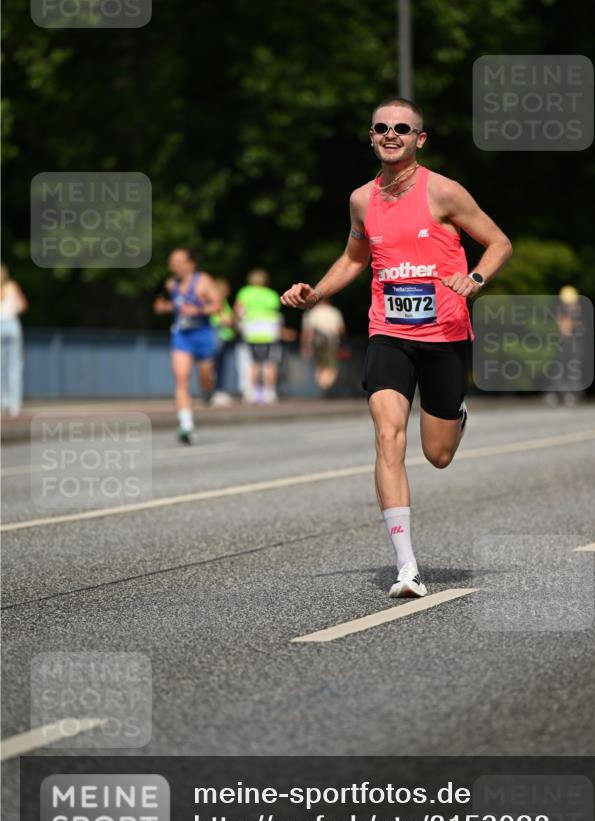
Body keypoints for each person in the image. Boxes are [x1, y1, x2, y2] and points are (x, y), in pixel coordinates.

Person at [282, 98, 512, 598]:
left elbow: (499, 243)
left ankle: (455, 413)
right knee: (388, 438)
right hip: (388, 332)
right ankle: (407, 568)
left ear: (418, 140)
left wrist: (474, 278)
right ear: (371, 136)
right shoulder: (361, 200)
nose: (392, 134)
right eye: (382, 127)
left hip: (445, 335)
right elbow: (353, 257)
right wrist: (317, 293)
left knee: (439, 454)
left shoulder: (445, 192)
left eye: (402, 128)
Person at [153, 248, 220, 443]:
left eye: (178, 261)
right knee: (181, 379)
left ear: (191, 264)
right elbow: (167, 305)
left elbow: (217, 305)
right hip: (181, 336)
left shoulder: (203, 281)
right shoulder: (170, 284)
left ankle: (208, 390)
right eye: (171, 261)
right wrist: (163, 308)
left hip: (203, 335)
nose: (173, 265)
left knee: (204, 378)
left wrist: (198, 310)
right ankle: (186, 425)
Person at [234, 269, 283, 404]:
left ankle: (251, 393)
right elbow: (276, 312)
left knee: (254, 362)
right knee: (270, 363)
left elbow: (238, 310)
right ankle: (270, 393)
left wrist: (238, 325)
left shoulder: (245, 292)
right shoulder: (271, 294)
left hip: (252, 330)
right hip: (269, 331)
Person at [301, 297, 346, 392]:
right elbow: (340, 329)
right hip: (332, 341)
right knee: (331, 365)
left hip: (317, 341)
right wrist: (342, 343)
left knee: (319, 365)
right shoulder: (334, 312)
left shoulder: (311, 312)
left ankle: (322, 385)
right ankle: (326, 385)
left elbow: (307, 331)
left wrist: (305, 346)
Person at [0, 265, 28, 416]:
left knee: (1, 367)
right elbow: (23, 305)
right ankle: (14, 404)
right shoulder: (12, 286)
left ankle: (3, 402)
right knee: (15, 367)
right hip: (12, 325)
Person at [210, 278, 236, 405]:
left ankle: (217, 391)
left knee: (219, 365)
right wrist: (228, 321)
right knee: (217, 365)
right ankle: (217, 392)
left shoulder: (222, 301)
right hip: (218, 334)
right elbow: (224, 318)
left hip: (224, 335)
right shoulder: (218, 300)